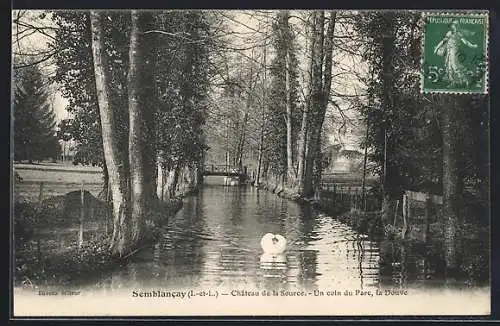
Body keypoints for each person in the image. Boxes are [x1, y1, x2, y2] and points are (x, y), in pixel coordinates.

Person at [433, 20, 478, 87]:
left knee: (454, 65)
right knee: (448, 66)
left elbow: (465, 42)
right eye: (454, 25)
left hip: (454, 51)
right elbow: (443, 41)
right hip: (448, 51)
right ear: (452, 26)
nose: (455, 27)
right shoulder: (449, 33)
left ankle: (465, 80)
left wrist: (472, 46)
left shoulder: (459, 34)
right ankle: (453, 82)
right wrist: (437, 48)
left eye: (456, 25)